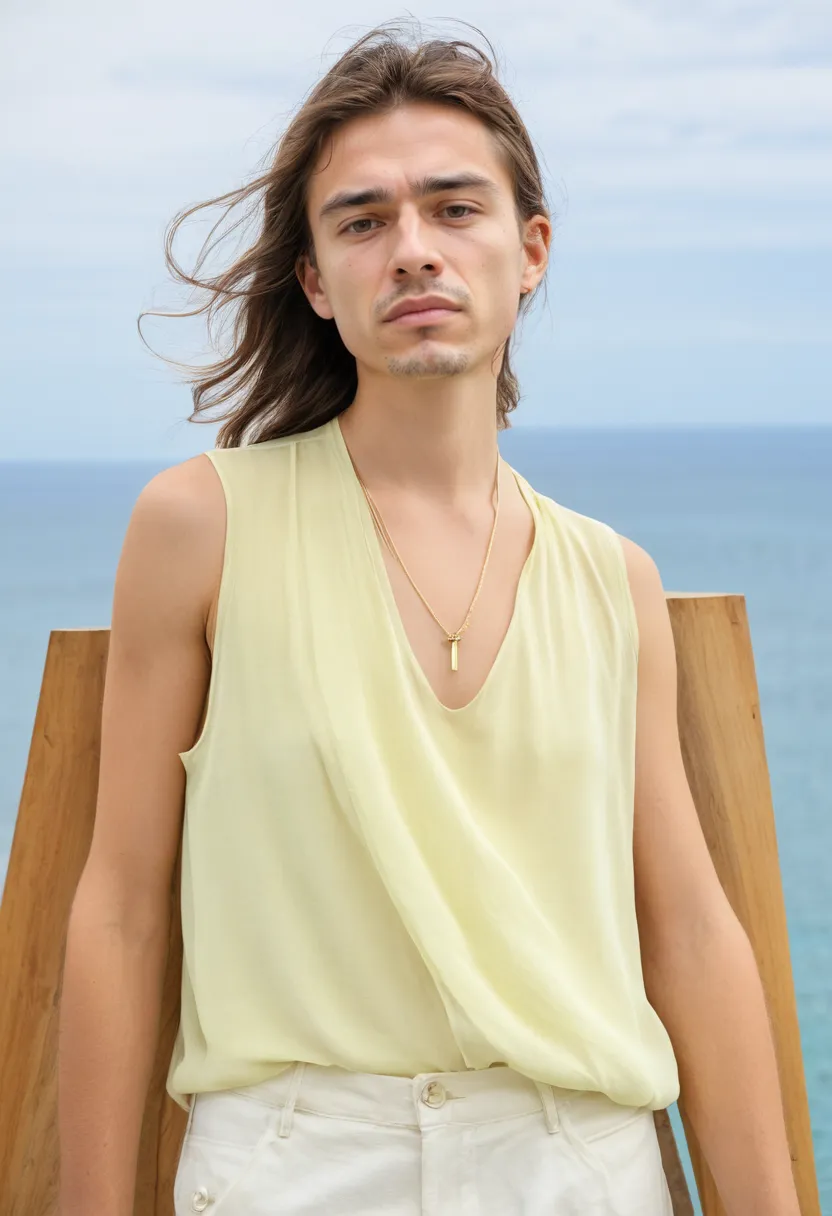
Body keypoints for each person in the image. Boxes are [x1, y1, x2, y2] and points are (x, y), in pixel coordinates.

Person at [57, 20, 802, 1216]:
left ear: (531, 249)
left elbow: (691, 931)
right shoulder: (201, 525)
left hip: (584, 1164)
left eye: (455, 209)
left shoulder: (611, 579)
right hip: (292, 1165)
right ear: (314, 278)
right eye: (362, 221)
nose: (413, 250)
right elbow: (122, 905)